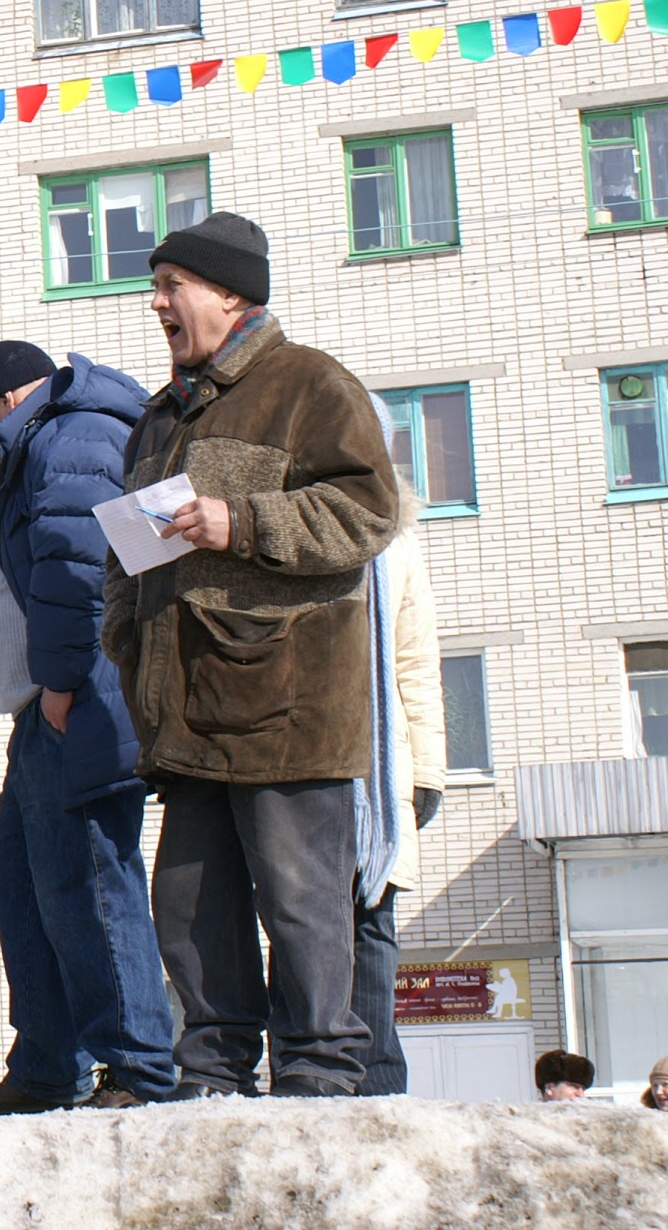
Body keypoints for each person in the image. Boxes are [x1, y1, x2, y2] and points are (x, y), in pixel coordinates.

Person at [102, 212, 401, 1099]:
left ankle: (318, 1077)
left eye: (171, 286)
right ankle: (211, 1079)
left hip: (286, 713)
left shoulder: (311, 384)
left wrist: (242, 522)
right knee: (191, 912)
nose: (156, 303)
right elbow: (129, 554)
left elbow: (367, 513)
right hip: (186, 717)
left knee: (303, 907)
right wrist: (124, 637)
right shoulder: (160, 416)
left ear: (230, 295)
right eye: (155, 287)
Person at [0, 342, 177, 1116]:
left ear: (9, 400)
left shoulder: (68, 436)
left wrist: (62, 680)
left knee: (88, 878)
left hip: (78, 695)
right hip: (55, 701)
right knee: (18, 872)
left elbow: (77, 567)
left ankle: (139, 1066)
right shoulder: (69, 433)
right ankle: (49, 1064)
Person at [343, 399, 448, 1098]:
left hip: (380, 773)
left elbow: (415, 660)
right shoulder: (302, 524)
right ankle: (314, 1070)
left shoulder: (399, 541)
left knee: (373, 922)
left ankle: (380, 1082)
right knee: (306, 926)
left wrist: (429, 771)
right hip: (310, 761)